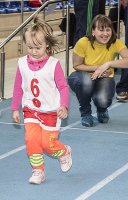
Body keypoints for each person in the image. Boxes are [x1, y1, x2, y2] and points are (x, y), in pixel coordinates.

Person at [11, 16, 72, 184]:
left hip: (50, 112)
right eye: (30, 47)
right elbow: (17, 87)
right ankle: (38, 171)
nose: (33, 51)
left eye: (38, 47)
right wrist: (15, 108)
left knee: (47, 144)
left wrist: (64, 105)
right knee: (31, 140)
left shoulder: (54, 64)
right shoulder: (22, 63)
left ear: (47, 45)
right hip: (30, 109)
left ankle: (64, 152)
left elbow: (63, 88)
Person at [68, 14, 128, 127]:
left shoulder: (115, 43)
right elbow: (77, 65)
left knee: (103, 100)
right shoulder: (83, 42)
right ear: (93, 31)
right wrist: (97, 68)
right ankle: (85, 113)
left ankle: (102, 109)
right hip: (83, 75)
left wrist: (108, 64)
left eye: (108, 30)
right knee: (85, 82)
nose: (105, 34)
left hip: (105, 77)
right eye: (101, 30)